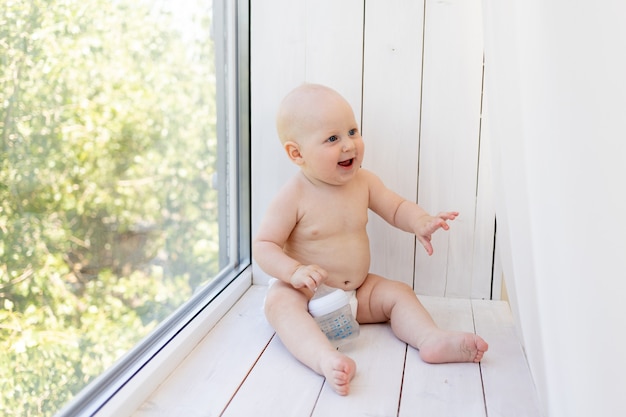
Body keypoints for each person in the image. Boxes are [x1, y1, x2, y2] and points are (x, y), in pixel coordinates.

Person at [253, 83, 488, 396]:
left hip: (357, 295)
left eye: (352, 131)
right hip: (308, 297)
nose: (349, 145)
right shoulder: (293, 196)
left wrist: (420, 221)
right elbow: (264, 246)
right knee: (279, 304)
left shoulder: (363, 182)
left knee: (399, 293)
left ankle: (429, 338)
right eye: (333, 138)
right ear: (297, 153)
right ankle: (324, 358)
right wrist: (294, 272)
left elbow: (395, 207)